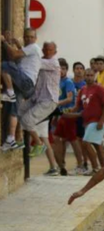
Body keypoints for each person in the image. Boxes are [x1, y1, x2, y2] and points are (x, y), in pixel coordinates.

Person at [20, 42, 61, 176]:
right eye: (46, 49)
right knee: (17, 111)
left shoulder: (53, 63)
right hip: (36, 99)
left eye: (50, 50)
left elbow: (36, 63)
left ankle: (38, 143)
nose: (48, 51)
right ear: (43, 50)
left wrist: (21, 53)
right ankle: (17, 139)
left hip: (48, 101)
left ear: (55, 51)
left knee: (26, 121)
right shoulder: (42, 59)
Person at [67, 68, 104, 174]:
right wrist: (69, 111)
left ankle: (95, 167)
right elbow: (78, 105)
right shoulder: (83, 90)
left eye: (91, 75)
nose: (89, 77)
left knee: (85, 143)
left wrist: (101, 120)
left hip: (97, 121)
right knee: (97, 145)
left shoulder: (99, 88)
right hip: (87, 121)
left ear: (94, 76)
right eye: (87, 75)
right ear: (84, 76)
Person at [53, 58, 84, 176]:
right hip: (60, 114)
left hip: (68, 114)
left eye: (63, 68)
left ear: (66, 70)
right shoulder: (56, 81)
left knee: (73, 139)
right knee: (57, 138)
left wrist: (56, 103)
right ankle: (61, 165)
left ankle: (80, 164)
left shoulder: (68, 82)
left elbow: (70, 98)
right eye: (59, 68)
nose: (61, 71)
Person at [1, 28, 41, 102]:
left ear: (35, 39)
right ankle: (11, 96)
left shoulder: (34, 47)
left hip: (26, 81)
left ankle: (10, 94)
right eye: (27, 37)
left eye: (31, 37)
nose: (29, 39)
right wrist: (17, 44)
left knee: (5, 65)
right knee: (12, 108)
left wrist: (4, 41)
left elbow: (14, 54)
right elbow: (22, 53)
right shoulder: (29, 49)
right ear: (24, 38)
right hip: (26, 86)